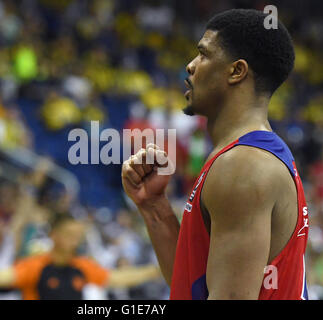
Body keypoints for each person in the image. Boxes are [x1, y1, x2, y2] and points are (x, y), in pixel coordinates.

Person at [121, 9, 309, 300]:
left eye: (203, 54)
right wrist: (154, 208)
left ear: (236, 71)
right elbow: (194, 283)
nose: (191, 65)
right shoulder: (243, 156)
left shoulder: (245, 165)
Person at [0, 214, 161, 300]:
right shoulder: (36, 266)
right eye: (69, 235)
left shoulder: (82, 266)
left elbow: (116, 278)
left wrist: (156, 271)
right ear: (54, 235)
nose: (75, 241)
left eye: (78, 236)